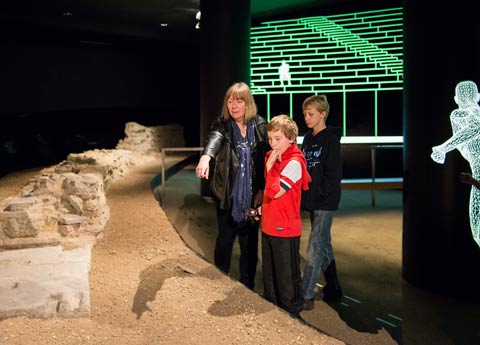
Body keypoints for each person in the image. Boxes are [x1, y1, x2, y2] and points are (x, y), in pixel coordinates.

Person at [195, 82, 269, 289]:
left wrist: (262, 190)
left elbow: (265, 158)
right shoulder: (222, 124)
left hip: (253, 195)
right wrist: (205, 158)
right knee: (225, 240)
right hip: (226, 193)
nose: (233, 105)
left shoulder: (261, 125)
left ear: (248, 103)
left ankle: (248, 285)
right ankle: (221, 281)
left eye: (239, 101)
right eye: (230, 100)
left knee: (249, 245)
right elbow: (214, 140)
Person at [259, 114, 311, 318]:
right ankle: (273, 310)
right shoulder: (272, 157)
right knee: (270, 274)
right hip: (268, 225)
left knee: (287, 276)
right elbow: (267, 193)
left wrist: (270, 168)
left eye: (277, 138)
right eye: (270, 138)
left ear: (291, 138)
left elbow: (276, 191)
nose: (273, 143)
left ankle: (292, 314)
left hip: (285, 229)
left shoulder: (295, 162)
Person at [300, 95, 343, 310]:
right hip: (312, 199)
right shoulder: (307, 138)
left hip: (325, 202)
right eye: (305, 114)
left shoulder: (331, 140)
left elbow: (333, 176)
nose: (307, 118)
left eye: (311, 114)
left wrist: (318, 196)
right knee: (324, 245)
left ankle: (305, 295)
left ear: (323, 114)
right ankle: (334, 288)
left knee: (314, 246)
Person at [431, 80, 480, 248]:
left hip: (478, 169)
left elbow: (476, 126)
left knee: (477, 230)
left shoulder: (459, 114)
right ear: (478, 97)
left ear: (456, 99)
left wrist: (443, 148)